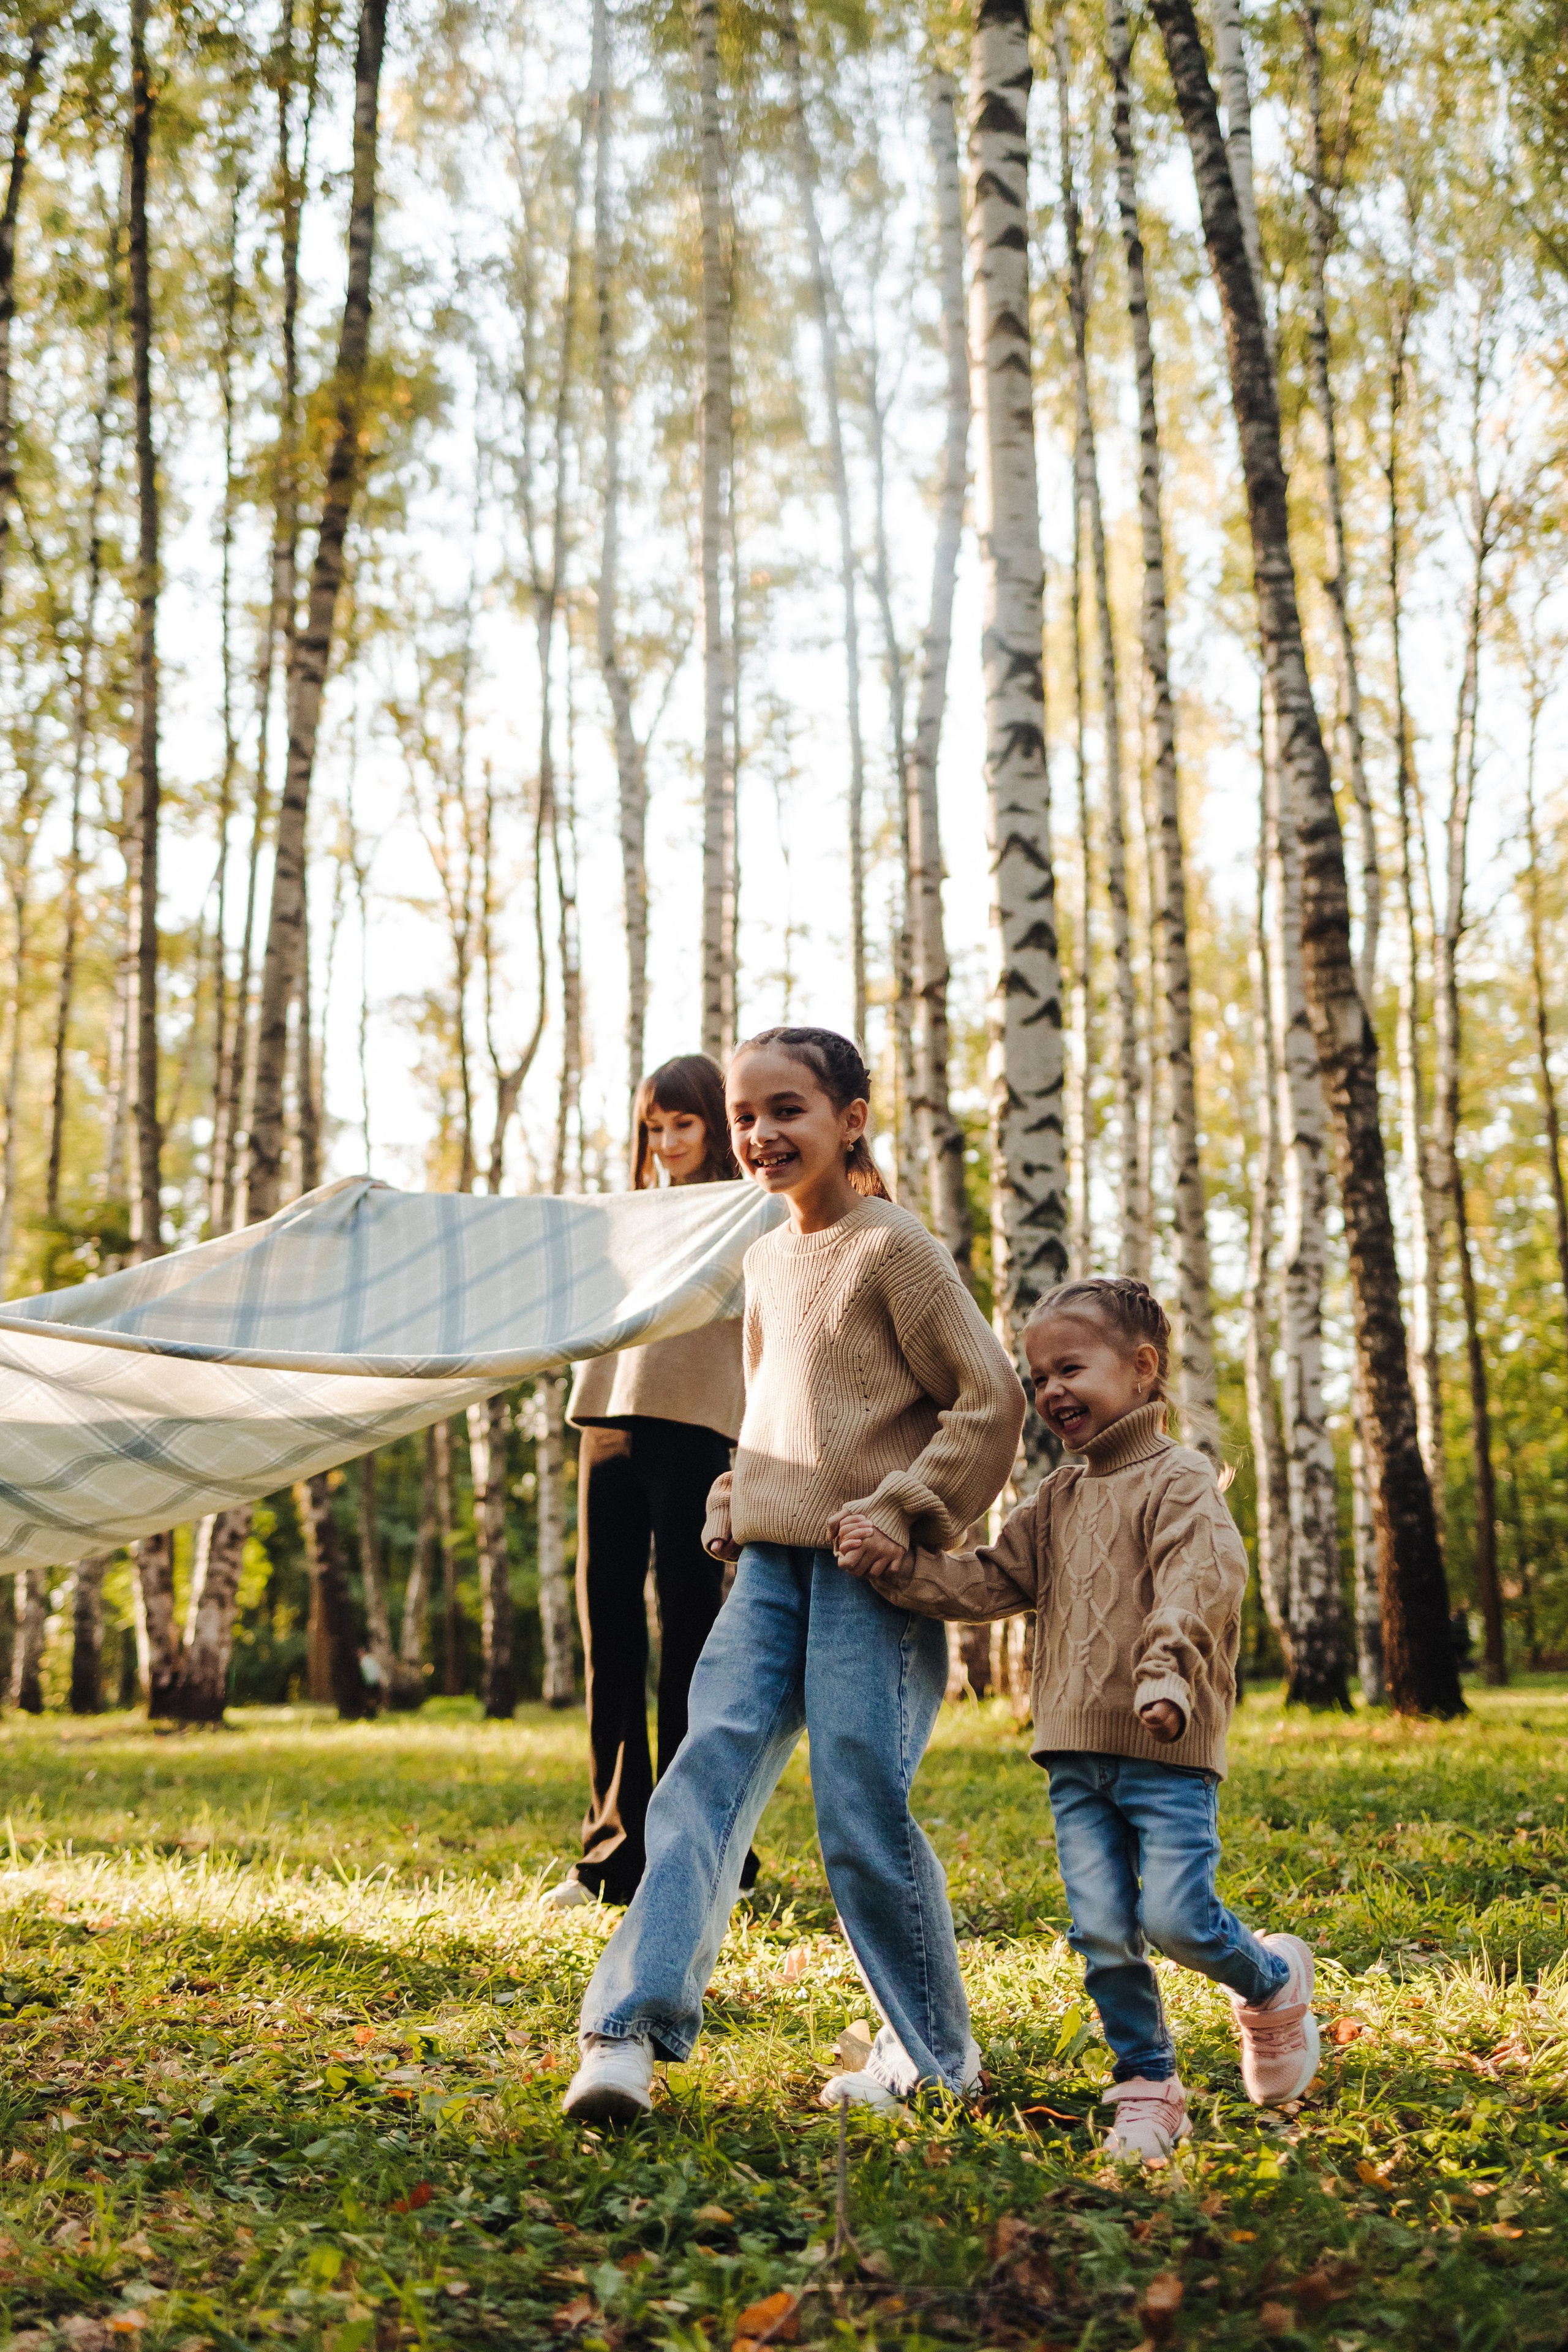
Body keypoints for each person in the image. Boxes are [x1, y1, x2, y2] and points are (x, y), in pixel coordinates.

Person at [561, 1026, 1025, 2123]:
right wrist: (734, 1498)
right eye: (745, 1117)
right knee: (700, 1780)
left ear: (849, 1119)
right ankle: (623, 2034)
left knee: (860, 1810)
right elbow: (767, 1407)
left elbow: (989, 1398)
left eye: (788, 1111)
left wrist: (907, 1511)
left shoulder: (894, 1248)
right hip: (768, 1573)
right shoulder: (763, 1257)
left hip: (871, 1580)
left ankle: (931, 2059)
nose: (762, 1134)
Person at [835, 1275, 1321, 2164]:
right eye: (1038, 1378)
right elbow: (989, 1581)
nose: (1052, 1391)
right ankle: (1147, 2084)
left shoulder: (1179, 1480)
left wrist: (1165, 1673)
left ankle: (1271, 1978)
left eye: (1072, 1368)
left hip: (1164, 1743)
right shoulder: (1054, 1500)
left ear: (1142, 1370)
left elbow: (1203, 1583)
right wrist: (895, 1568)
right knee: (1102, 1930)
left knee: (1175, 1919)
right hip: (1071, 1753)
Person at [543, 1054, 756, 1911]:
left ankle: (706, 1856)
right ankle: (609, 1856)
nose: (667, 1142)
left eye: (683, 1124)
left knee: (696, 1641)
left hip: (699, 1426)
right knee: (611, 1640)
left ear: (712, 1125)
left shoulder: (749, 1211)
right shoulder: (622, 1216)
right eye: (654, 1128)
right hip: (607, 1422)